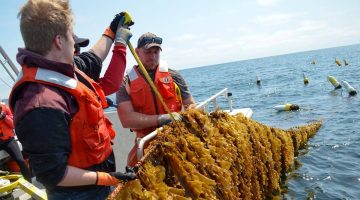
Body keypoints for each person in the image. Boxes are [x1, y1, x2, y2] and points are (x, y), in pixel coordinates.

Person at [9, 0, 136, 199]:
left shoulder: (62, 67)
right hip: (76, 194)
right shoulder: (40, 104)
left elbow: (94, 57)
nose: (74, 42)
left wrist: (112, 32)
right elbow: (54, 174)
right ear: (59, 41)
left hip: (100, 180)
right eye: (71, 35)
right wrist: (106, 178)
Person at [116, 32, 196, 167]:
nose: (152, 56)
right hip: (145, 143)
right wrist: (161, 119)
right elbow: (127, 119)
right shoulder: (125, 82)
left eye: (156, 52)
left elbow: (191, 105)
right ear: (137, 52)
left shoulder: (174, 76)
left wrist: (190, 116)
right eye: (148, 52)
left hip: (177, 139)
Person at [0, 101, 31, 182]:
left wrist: (4, 117)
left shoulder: (4, 108)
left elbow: (13, 124)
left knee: (21, 161)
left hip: (8, 140)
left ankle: (29, 183)